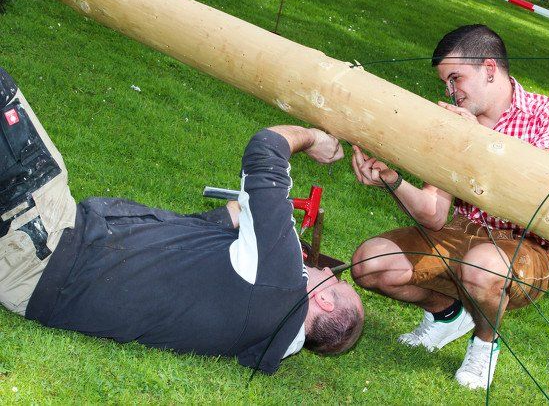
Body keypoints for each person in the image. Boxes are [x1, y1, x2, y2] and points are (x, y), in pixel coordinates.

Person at [0, 67, 364, 374]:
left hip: (44, 241)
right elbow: (186, 271)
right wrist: (228, 219)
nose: (328, 270)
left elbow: (267, 148)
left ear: (325, 301)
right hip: (29, 287)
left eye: (335, 280)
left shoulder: (281, 283)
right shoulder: (261, 338)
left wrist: (313, 138)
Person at [350, 25, 549, 389]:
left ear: (489, 69)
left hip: (526, 246)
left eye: (455, 78)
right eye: (445, 82)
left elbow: (538, 184)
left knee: (482, 266)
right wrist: (392, 180)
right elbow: (433, 213)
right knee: (370, 263)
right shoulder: (457, 121)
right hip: (461, 232)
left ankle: (484, 346)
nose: (450, 91)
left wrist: (479, 140)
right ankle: (447, 315)